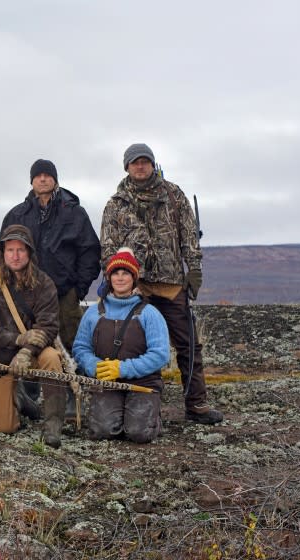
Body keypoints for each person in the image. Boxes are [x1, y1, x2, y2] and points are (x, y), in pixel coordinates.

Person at [100, 143, 223, 424]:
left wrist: (194, 271)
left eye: (145, 161)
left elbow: (189, 236)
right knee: (134, 348)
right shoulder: (115, 204)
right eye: (135, 162)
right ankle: (143, 403)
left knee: (188, 345)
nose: (140, 166)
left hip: (171, 286)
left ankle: (197, 404)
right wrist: (114, 279)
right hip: (136, 288)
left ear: (153, 164)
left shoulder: (173, 194)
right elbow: (107, 249)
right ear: (127, 167)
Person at [0, 158, 101, 405]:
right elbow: (4, 250)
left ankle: (72, 396)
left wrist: (79, 287)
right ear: (32, 181)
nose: (43, 179)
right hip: (25, 292)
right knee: (27, 338)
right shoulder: (17, 214)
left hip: (64, 292)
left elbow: (90, 250)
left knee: (71, 342)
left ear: (55, 179)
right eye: (38, 175)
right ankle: (29, 395)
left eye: (48, 175)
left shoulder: (74, 212)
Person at [0, 225, 73, 447]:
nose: (15, 256)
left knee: (51, 358)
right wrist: (17, 340)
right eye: (10, 250)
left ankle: (53, 427)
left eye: (20, 250)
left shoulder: (44, 283)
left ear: (29, 253)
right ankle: (23, 401)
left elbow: (48, 326)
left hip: (33, 353)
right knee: (4, 427)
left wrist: (27, 351)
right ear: (2, 253)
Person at [72, 248, 170, 442]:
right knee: (102, 431)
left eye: (125, 273)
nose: (120, 278)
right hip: (107, 384)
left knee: (138, 433)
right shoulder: (93, 313)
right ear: (109, 278)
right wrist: (94, 366)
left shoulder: (150, 313)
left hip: (143, 383)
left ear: (134, 278)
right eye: (115, 273)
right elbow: (80, 348)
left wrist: (122, 368)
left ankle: (151, 418)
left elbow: (160, 355)